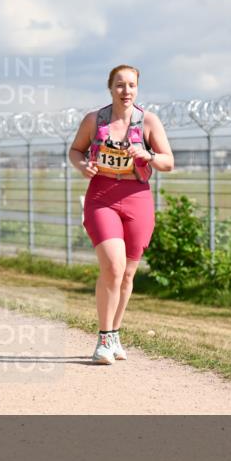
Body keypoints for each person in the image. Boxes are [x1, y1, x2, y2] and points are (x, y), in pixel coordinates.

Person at [68, 65, 174, 365]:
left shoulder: (148, 121)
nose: (125, 91)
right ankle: (102, 339)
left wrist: (148, 155)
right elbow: (75, 150)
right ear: (110, 87)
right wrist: (82, 166)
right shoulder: (94, 120)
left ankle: (114, 333)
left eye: (131, 85)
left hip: (137, 198)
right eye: (119, 85)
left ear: (137, 89)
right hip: (101, 197)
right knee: (113, 267)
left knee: (127, 274)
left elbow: (168, 161)